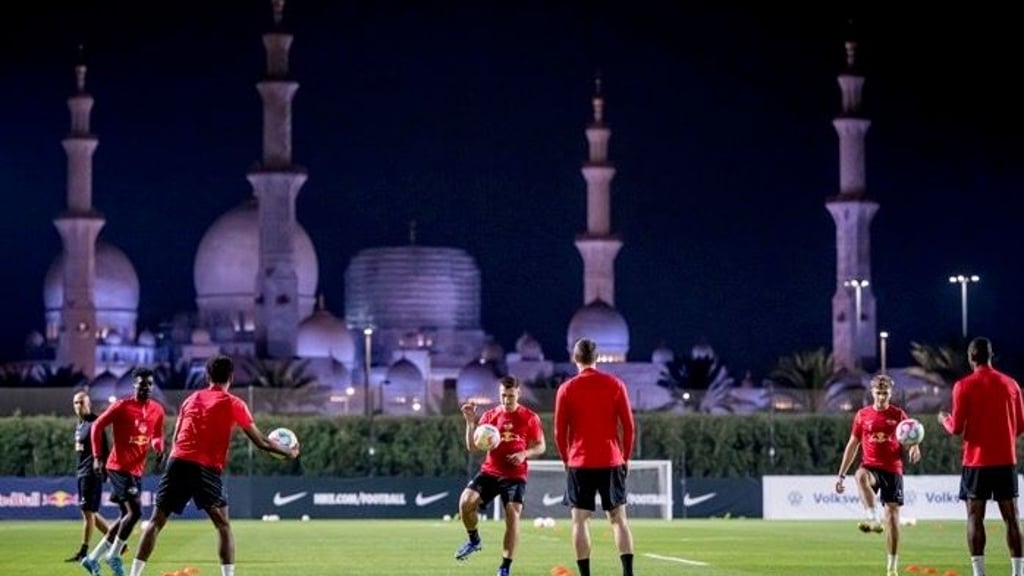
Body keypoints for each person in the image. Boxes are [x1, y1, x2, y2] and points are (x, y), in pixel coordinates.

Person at [126, 355, 299, 576]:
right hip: (206, 467)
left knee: (156, 521)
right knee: (222, 525)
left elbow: (177, 435)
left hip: (178, 461)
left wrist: (175, 464)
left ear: (207, 376)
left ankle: (133, 575)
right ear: (232, 378)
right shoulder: (234, 403)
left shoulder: (190, 399)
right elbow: (262, 442)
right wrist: (289, 452)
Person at [938, 337, 1024, 576]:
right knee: (1012, 517)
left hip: (976, 462)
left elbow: (956, 428)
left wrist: (944, 419)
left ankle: (979, 573)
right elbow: (1020, 425)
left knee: (975, 516)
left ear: (970, 357)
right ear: (990, 356)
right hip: (1006, 460)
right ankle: (1018, 573)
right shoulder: (1011, 384)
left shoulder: (963, 386)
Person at [554, 337, 636, 576]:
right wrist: (626, 457)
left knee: (580, 521)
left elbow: (560, 432)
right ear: (596, 358)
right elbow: (629, 427)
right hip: (611, 460)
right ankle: (628, 574)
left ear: (574, 358)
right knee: (619, 520)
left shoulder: (566, 389)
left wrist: (566, 461)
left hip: (579, 462)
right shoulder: (615, 384)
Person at [454, 376, 546, 576]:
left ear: (518, 393)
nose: (506, 400)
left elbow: (541, 445)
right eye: (503, 395)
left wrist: (524, 454)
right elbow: (472, 446)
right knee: (464, 503)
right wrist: (470, 423)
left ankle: (504, 568)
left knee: (512, 515)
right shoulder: (490, 416)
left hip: (515, 476)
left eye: (511, 396)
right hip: (490, 472)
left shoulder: (529, 417)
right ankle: (474, 540)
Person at [81, 368, 166, 576]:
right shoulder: (121, 406)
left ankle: (92, 559)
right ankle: (113, 555)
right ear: (134, 385)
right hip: (118, 467)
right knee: (135, 512)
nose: (145, 387)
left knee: (125, 516)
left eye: (149, 384)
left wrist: (158, 447)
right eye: (141, 384)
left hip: (136, 470)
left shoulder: (157, 410)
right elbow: (97, 426)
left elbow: (157, 434)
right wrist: (98, 457)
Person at [835, 374, 921, 576]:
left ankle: (891, 568)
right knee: (860, 476)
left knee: (892, 518)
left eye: (885, 393)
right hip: (871, 467)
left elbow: (913, 434)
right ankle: (873, 518)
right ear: (872, 392)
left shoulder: (899, 415)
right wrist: (840, 476)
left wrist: (915, 447)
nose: (881, 397)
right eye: (878, 392)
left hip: (893, 470)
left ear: (890, 393)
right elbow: (852, 445)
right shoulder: (862, 415)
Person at [65, 391, 113, 563]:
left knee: (88, 512)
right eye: (75, 403)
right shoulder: (80, 424)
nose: (78, 406)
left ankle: (84, 551)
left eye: (81, 402)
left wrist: (105, 471)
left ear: (88, 403)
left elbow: (106, 448)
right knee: (90, 512)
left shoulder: (95, 423)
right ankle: (117, 542)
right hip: (82, 472)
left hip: (92, 473)